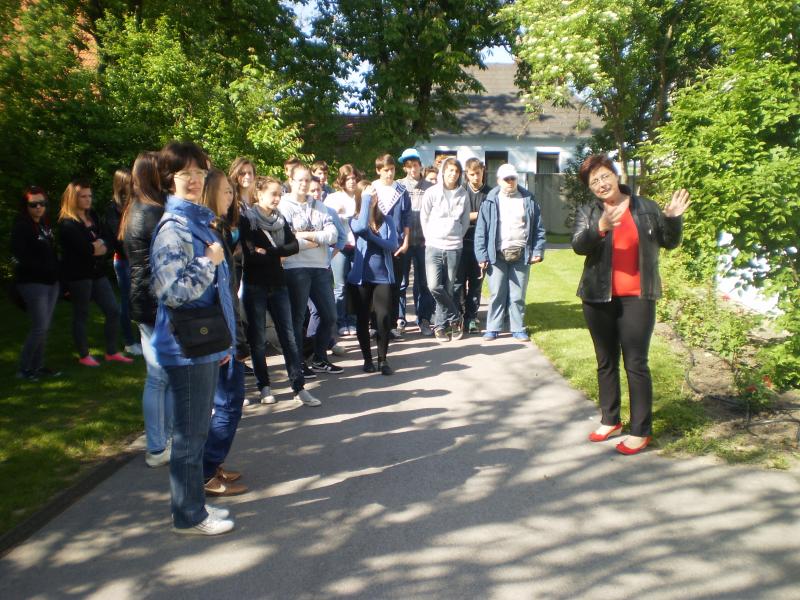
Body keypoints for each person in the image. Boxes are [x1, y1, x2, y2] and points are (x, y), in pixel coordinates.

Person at [572, 154, 690, 455]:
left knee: (636, 363)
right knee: (605, 361)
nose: (601, 183)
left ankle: (640, 431)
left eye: (604, 176)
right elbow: (578, 245)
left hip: (638, 296)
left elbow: (669, 241)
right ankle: (610, 420)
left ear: (615, 175)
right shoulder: (589, 211)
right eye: (594, 181)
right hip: (597, 297)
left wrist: (673, 219)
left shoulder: (646, 207)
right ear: (590, 188)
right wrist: (599, 227)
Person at [150, 141, 236, 535]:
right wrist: (208, 262)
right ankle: (188, 516)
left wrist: (223, 342)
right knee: (189, 435)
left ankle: (194, 506)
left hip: (203, 343)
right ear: (169, 180)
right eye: (186, 174)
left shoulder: (196, 222)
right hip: (185, 347)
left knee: (196, 432)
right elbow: (172, 291)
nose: (196, 180)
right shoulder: (174, 228)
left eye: (200, 173)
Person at [241, 176, 319, 406]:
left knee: (289, 337)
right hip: (255, 285)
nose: (277, 198)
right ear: (259, 194)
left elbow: (293, 246)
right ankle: (264, 387)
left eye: (279, 194)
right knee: (258, 339)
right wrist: (277, 252)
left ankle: (298, 387)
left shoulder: (280, 218)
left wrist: (271, 252)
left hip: (278, 283)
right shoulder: (248, 219)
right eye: (273, 194)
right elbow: (250, 255)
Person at [121, 151, 174, 468]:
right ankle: (157, 445)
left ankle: (163, 440)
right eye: (162, 171)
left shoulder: (136, 208)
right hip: (153, 301)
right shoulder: (152, 212)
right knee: (159, 376)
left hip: (145, 299)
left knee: (162, 375)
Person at [200, 169, 250, 496]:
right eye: (225, 192)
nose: (230, 198)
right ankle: (206, 471)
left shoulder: (218, 227)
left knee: (230, 401)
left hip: (228, 327)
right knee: (229, 402)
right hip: (218, 333)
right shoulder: (207, 231)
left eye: (232, 192)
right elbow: (212, 290)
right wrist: (229, 340)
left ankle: (213, 464)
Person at [58, 179, 132, 366]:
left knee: (113, 310)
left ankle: (111, 352)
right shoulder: (67, 224)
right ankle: (84, 355)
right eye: (83, 196)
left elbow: (108, 239)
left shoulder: (93, 216)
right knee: (82, 314)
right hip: (78, 275)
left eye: (89, 196)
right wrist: (96, 247)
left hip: (97, 273)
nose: (88, 199)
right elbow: (84, 249)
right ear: (72, 198)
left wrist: (100, 246)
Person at [279, 164, 342, 382]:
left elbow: (333, 235)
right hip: (295, 268)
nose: (304, 184)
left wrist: (305, 235)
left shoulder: (320, 205)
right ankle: (297, 363)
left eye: (307, 180)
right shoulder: (283, 206)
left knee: (330, 315)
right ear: (291, 180)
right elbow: (288, 240)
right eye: (300, 180)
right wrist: (314, 239)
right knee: (298, 318)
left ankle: (319, 358)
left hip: (320, 267)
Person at [474, 163, 546, 343]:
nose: (510, 182)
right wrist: (481, 255)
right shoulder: (490, 200)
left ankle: (518, 328)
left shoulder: (528, 199)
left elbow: (538, 228)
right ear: (499, 180)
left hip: (522, 254)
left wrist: (538, 250)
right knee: (497, 293)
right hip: (497, 255)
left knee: (518, 295)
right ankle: (493, 328)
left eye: (512, 178)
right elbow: (481, 230)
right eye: (506, 179)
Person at [347, 186, 399, 375]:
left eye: (375, 194)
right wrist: (366, 202)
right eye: (369, 195)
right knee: (362, 318)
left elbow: (392, 245)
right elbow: (361, 227)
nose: (374, 197)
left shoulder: (387, 220)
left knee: (383, 317)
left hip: (383, 276)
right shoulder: (354, 219)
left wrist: (371, 237)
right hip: (361, 277)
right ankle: (367, 359)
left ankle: (383, 360)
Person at [11, 186, 60, 381]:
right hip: (32, 283)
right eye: (33, 204)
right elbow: (22, 258)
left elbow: (51, 252)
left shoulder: (44, 225)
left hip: (51, 282)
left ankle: (37, 366)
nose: (39, 207)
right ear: (26, 206)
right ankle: (24, 369)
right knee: (39, 326)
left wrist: (56, 273)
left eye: (42, 203)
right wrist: (45, 269)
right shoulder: (22, 227)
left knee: (44, 327)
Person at [420, 157, 470, 342]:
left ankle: (440, 326)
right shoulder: (432, 192)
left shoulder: (463, 194)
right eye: (450, 170)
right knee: (434, 286)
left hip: (454, 247)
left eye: (456, 171)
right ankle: (455, 316)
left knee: (448, 288)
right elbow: (424, 216)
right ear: (443, 172)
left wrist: (456, 236)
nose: (453, 174)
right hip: (433, 246)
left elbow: (465, 221)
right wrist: (430, 237)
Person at [372, 154, 411, 339]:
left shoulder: (401, 190)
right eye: (386, 170)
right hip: (376, 244)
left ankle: (393, 324)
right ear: (378, 170)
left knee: (395, 285)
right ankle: (374, 324)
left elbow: (407, 218)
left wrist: (406, 241)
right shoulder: (372, 189)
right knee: (376, 285)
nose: (389, 174)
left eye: (392, 170)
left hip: (397, 245)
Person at [396, 148, 434, 336]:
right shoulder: (398, 186)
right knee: (401, 283)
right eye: (409, 166)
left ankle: (424, 319)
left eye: (415, 165)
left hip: (424, 243)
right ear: (405, 168)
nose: (413, 169)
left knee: (424, 283)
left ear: (420, 165)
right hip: (404, 243)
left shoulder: (430, 187)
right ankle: (400, 319)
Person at [104, 168, 142, 355]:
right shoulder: (112, 209)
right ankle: (129, 340)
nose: (133, 186)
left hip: (138, 259)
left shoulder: (136, 204)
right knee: (127, 300)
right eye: (129, 183)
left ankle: (143, 338)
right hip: (124, 261)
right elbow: (117, 238)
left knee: (141, 299)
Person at [325, 164, 361, 336]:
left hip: (358, 246)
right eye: (348, 179)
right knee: (339, 286)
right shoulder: (333, 198)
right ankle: (340, 322)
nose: (352, 181)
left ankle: (353, 321)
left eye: (354, 178)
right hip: (339, 247)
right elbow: (325, 219)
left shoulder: (361, 196)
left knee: (355, 285)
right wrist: (337, 213)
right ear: (342, 181)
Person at [458, 158, 491, 334]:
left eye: (478, 173)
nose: (476, 177)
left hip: (481, 245)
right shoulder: (460, 191)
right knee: (459, 283)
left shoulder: (490, 193)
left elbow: (492, 218)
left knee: (476, 284)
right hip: (461, 243)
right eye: (472, 174)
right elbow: (458, 216)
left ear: (483, 171)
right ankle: (460, 315)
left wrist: (472, 216)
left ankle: (471, 317)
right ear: (467, 174)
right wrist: (478, 215)